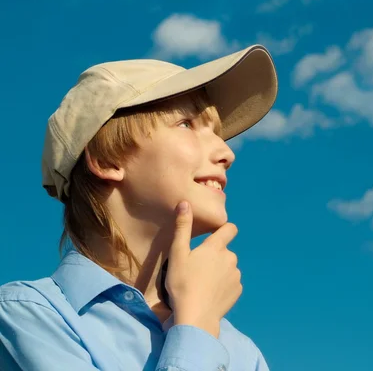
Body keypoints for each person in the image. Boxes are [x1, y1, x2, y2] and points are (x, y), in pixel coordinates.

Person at [0, 44, 278, 370]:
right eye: (187, 124)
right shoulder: (26, 316)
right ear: (106, 159)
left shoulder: (242, 352)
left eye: (217, 133)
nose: (226, 154)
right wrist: (197, 326)